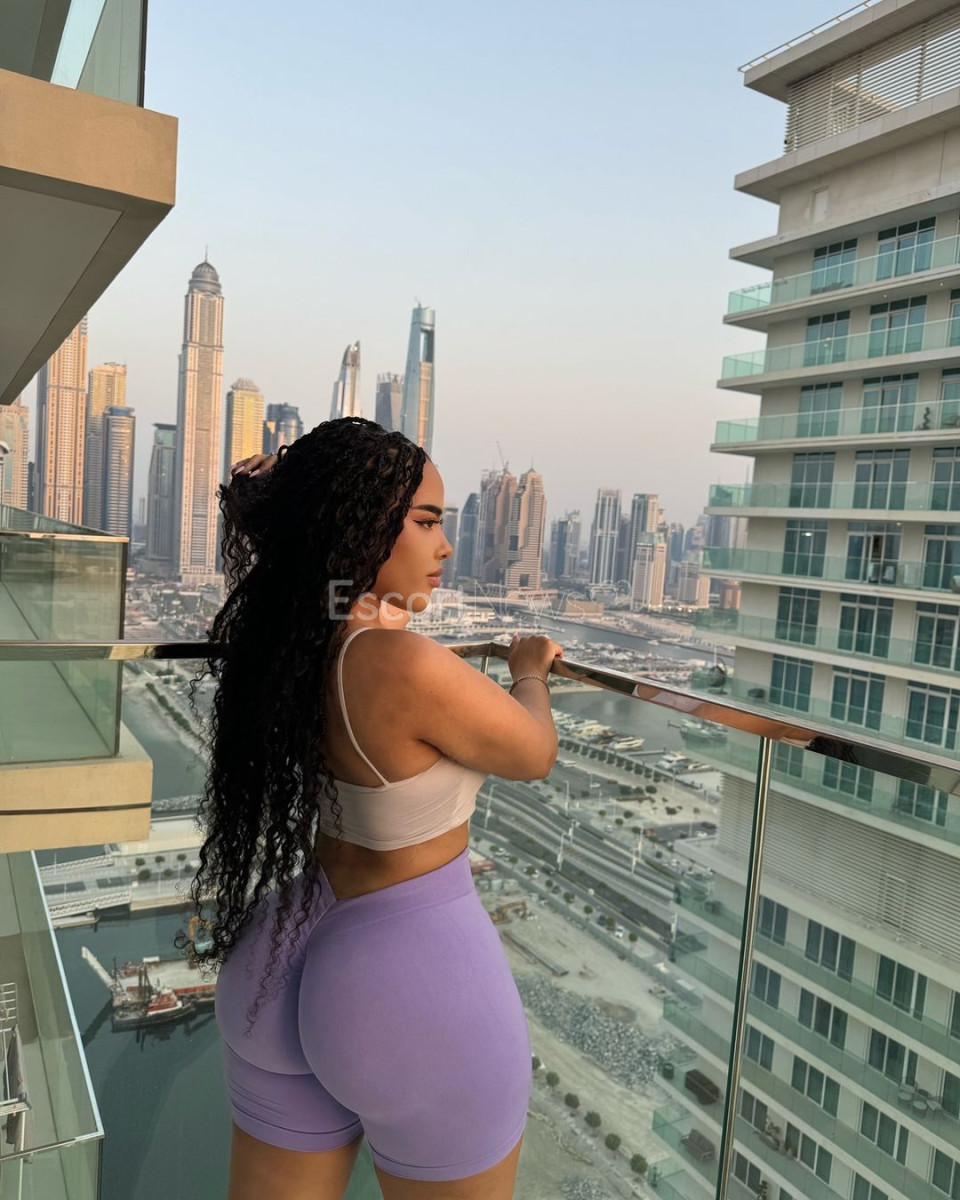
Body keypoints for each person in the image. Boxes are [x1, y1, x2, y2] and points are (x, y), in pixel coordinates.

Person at [186, 417, 564, 1200]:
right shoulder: (398, 662)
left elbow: (333, 587)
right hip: (408, 984)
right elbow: (533, 751)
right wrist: (530, 670)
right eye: (425, 522)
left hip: (279, 957)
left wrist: (279, 496)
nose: (444, 547)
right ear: (356, 528)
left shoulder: (295, 641)